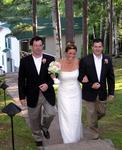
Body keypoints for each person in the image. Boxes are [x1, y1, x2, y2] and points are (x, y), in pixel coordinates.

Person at [18, 36, 56, 149]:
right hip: (32, 94)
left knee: (51, 113)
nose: (38, 48)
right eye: (36, 45)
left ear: (42, 45)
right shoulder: (25, 61)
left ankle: (44, 127)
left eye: (40, 45)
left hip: (47, 93)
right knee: (34, 118)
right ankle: (38, 138)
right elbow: (21, 79)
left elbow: (54, 76)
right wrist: (22, 96)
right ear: (31, 47)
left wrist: (47, 85)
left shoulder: (50, 59)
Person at [78, 38, 115, 139]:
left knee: (102, 112)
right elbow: (80, 76)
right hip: (89, 92)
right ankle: (94, 136)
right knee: (91, 113)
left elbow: (111, 77)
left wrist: (111, 93)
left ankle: (91, 122)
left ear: (102, 47)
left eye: (99, 46)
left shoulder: (107, 59)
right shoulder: (85, 60)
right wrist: (90, 84)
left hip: (102, 92)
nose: (97, 49)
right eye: (95, 46)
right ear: (92, 47)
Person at [57, 42, 83, 143]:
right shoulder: (58, 63)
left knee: (75, 114)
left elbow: (84, 73)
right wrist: (53, 77)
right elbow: (52, 74)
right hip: (63, 92)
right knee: (66, 114)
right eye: (70, 53)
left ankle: (75, 136)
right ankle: (68, 139)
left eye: (73, 53)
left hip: (76, 92)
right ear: (65, 53)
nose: (71, 55)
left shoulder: (79, 62)